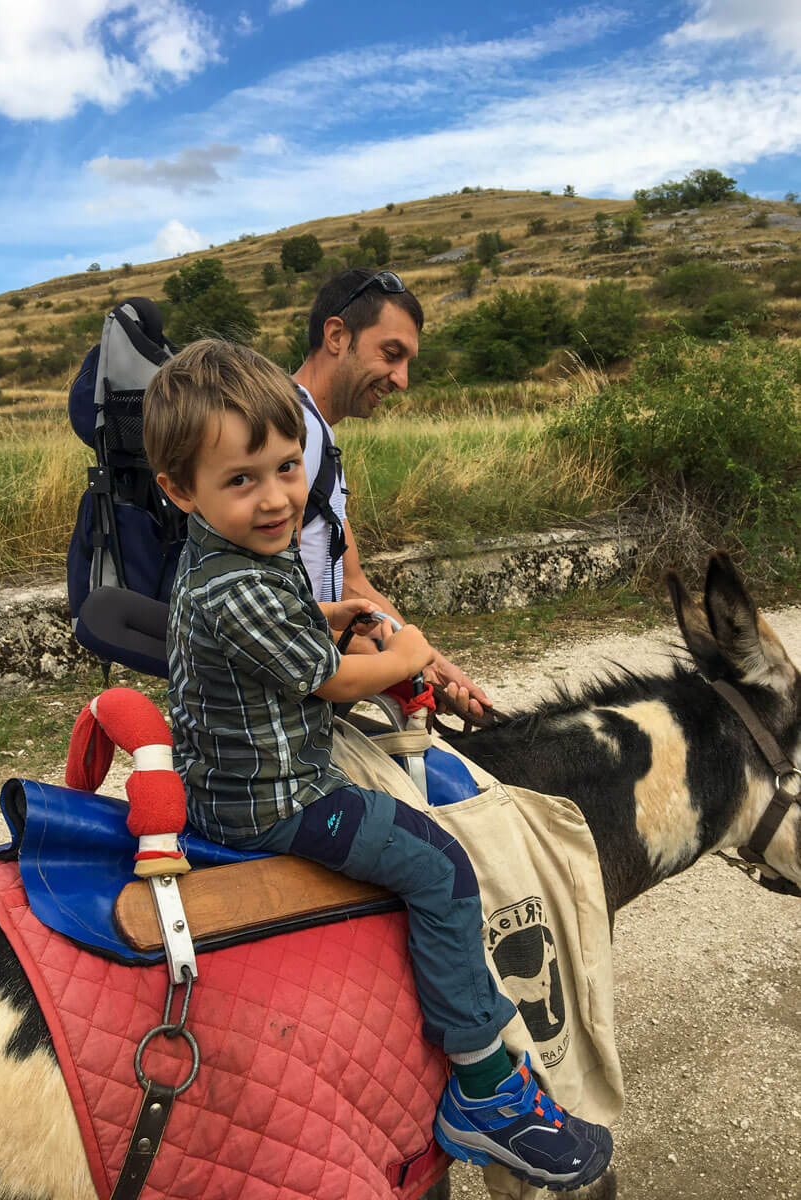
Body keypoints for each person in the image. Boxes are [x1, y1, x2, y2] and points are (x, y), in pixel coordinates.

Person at [143, 337, 613, 1191]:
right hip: (273, 797)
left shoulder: (230, 558)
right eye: (241, 480)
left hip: (243, 767)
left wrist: (336, 610)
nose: (277, 497)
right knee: (438, 863)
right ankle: (481, 1082)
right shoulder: (235, 584)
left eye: (286, 468)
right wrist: (410, 652)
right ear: (180, 491)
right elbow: (328, 684)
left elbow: (286, 632)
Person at [294, 267, 493, 720]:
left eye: (407, 363)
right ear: (337, 335)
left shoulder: (316, 436)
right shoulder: (291, 434)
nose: (401, 379)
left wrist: (435, 668)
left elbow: (350, 581)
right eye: (391, 353)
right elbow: (272, 605)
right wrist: (391, 662)